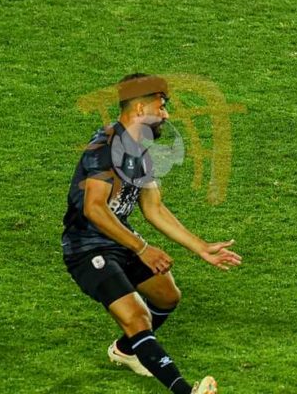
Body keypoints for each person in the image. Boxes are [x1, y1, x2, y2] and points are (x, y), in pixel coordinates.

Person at [61, 73, 242, 394]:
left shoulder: (140, 152)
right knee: (138, 317)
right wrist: (142, 248)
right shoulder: (103, 148)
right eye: (161, 107)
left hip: (120, 240)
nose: (166, 114)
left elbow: (154, 208)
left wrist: (200, 248)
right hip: (87, 248)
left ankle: (127, 350)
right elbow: (95, 209)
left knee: (166, 295)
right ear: (140, 107)